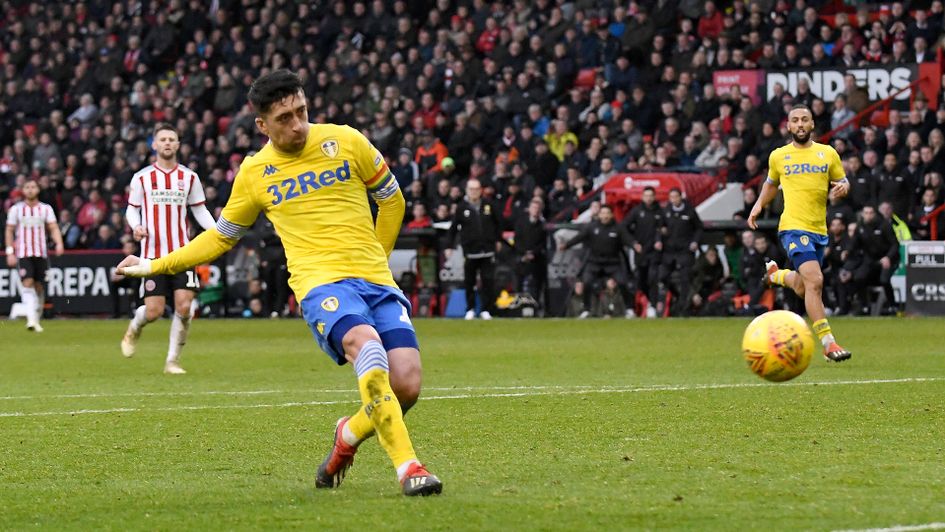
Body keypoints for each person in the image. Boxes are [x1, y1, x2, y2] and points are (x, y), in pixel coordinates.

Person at [116, 70, 441, 496]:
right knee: (367, 347)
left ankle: (347, 435)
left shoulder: (346, 140)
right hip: (322, 286)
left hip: (375, 281)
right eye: (285, 117)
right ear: (262, 125)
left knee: (407, 386)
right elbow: (220, 236)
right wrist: (155, 265)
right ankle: (409, 467)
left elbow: (391, 198)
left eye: (302, 111)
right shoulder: (255, 173)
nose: (297, 124)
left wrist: (377, 259)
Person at [748, 104, 852, 362]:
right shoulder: (779, 156)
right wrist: (759, 204)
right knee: (815, 281)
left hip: (819, 229)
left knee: (805, 287)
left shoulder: (827, 154)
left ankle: (778, 275)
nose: (801, 124)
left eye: (805, 119)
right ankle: (829, 344)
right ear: (789, 126)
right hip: (793, 227)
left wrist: (844, 188)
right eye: (795, 120)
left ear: (812, 124)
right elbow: (771, 183)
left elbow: (843, 181)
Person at [119, 123, 217, 375]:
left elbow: (199, 209)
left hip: (183, 253)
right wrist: (136, 225)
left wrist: (218, 232)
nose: (167, 143)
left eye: (171, 139)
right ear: (154, 144)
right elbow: (132, 208)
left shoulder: (189, 177)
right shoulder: (142, 177)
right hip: (152, 254)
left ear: (178, 144)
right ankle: (134, 328)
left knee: (185, 307)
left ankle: (172, 361)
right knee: (154, 311)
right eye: (162, 139)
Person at [4, 178, 64, 332]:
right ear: (23, 190)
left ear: (38, 190)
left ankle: (36, 318)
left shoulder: (45, 209)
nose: (30, 190)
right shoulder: (16, 209)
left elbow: (53, 227)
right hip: (23, 253)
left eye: (33, 187)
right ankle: (31, 319)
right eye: (27, 187)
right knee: (27, 282)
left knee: (39, 286)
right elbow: (9, 231)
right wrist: (10, 251)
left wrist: (59, 243)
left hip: (41, 253)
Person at [559, 204, 634, 319]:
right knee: (587, 282)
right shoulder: (591, 227)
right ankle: (586, 309)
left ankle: (629, 309)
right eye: (602, 213)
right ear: (599, 215)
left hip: (613, 262)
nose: (605, 216)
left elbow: (627, 239)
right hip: (594, 262)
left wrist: (635, 245)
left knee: (623, 282)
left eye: (607, 213)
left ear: (611, 215)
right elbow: (579, 237)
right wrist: (567, 245)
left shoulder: (618, 228)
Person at [446, 179, 500, 320]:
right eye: (471, 189)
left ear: (481, 190)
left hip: (487, 250)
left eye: (476, 189)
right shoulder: (461, 207)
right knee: (469, 281)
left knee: (488, 280)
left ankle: (486, 309)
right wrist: (449, 246)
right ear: (467, 190)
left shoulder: (489, 205)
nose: (474, 191)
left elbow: (498, 223)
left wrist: (498, 240)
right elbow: (453, 229)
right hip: (470, 251)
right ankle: (470, 308)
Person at [846, 204, 900, 315]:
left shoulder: (884, 225)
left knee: (884, 280)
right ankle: (864, 306)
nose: (868, 216)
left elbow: (895, 244)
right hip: (871, 259)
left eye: (871, 213)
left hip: (887, 258)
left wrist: (888, 257)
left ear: (875, 214)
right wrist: (847, 251)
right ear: (862, 214)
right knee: (859, 277)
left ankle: (893, 306)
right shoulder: (860, 227)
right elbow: (854, 244)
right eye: (866, 213)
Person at [658, 188, 703, 316]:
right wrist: (660, 238)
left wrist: (695, 242)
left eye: (676, 197)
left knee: (685, 279)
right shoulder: (666, 211)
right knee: (662, 276)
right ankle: (675, 294)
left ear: (681, 197)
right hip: (670, 251)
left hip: (685, 251)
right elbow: (659, 228)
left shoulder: (689, 211)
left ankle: (683, 308)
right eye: (671, 197)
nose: (674, 200)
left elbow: (699, 228)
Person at [623, 186, 663, 317]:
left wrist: (660, 239)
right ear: (642, 197)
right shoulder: (637, 211)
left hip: (654, 252)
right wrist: (633, 243)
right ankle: (637, 306)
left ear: (654, 196)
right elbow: (624, 227)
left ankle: (652, 304)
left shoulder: (660, 211)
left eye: (651, 195)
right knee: (640, 279)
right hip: (640, 252)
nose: (649, 198)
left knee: (653, 277)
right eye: (646, 195)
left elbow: (664, 229)